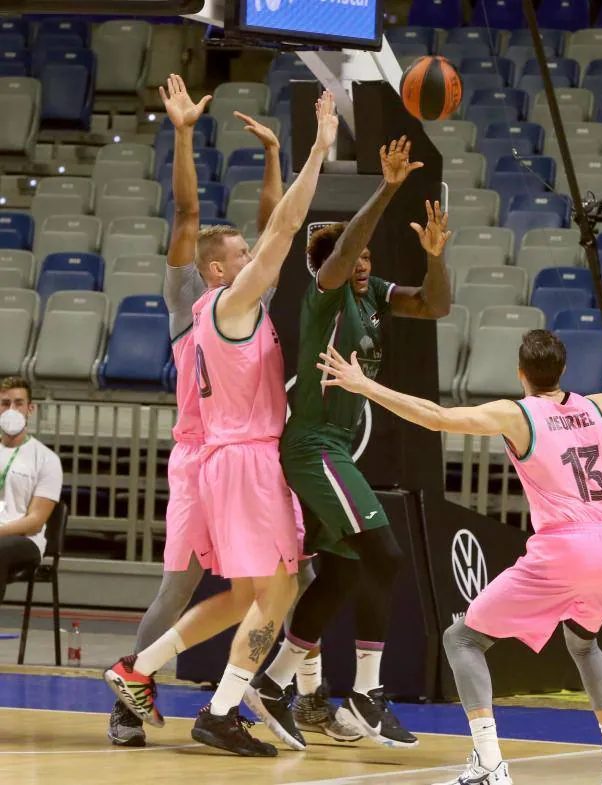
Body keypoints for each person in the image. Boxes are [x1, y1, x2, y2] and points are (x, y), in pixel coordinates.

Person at [316, 326, 602, 785]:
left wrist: (364, 386)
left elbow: (435, 416)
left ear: (521, 373)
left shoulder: (516, 413)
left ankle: (488, 762)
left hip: (565, 548)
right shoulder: (597, 405)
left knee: (461, 640)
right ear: (563, 370)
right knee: (584, 644)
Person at [104, 91, 339, 758]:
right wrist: (314, 147)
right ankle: (185, 699)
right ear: (215, 268)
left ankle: (144, 670)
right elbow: (252, 225)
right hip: (216, 452)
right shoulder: (198, 297)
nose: (248, 258)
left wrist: (272, 154)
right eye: (236, 255)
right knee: (212, 585)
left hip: (224, 455)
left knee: (250, 592)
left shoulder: (238, 299)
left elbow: (270, 228)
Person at [248, 141, 451, 750]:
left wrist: (436, 257)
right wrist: (387, 189)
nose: (363, 260)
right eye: (353, 253)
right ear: (333, 263)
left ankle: (277, 683)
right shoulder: (327, 292)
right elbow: (342, 252)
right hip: (313, 446)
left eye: (366, 255)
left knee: (340, 572)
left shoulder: (370, 293)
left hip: (334, 447)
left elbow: (434, 303)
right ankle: (366, 691)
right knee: (386, 556)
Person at [0, 377, 63, 606]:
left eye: (18, 403)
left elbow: (35, 521)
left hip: (25, 541)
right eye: (5, 404)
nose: (11, 410)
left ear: (30, 409)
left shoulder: (46, 459)